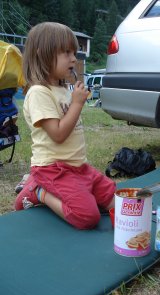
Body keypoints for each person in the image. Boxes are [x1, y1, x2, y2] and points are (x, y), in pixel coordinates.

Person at [15, 22, 116, 229]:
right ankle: (38, 192)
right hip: (54, 169)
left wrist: (74, 100)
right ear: (43, 54)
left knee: (115, 202)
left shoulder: (62, 89)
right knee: (88, 217)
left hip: (79, 167)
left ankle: (70, 191)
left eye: (75, 52)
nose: (73, 59)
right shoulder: (38, 93)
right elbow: (58, 134)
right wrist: (77, 103)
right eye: (67, 53)